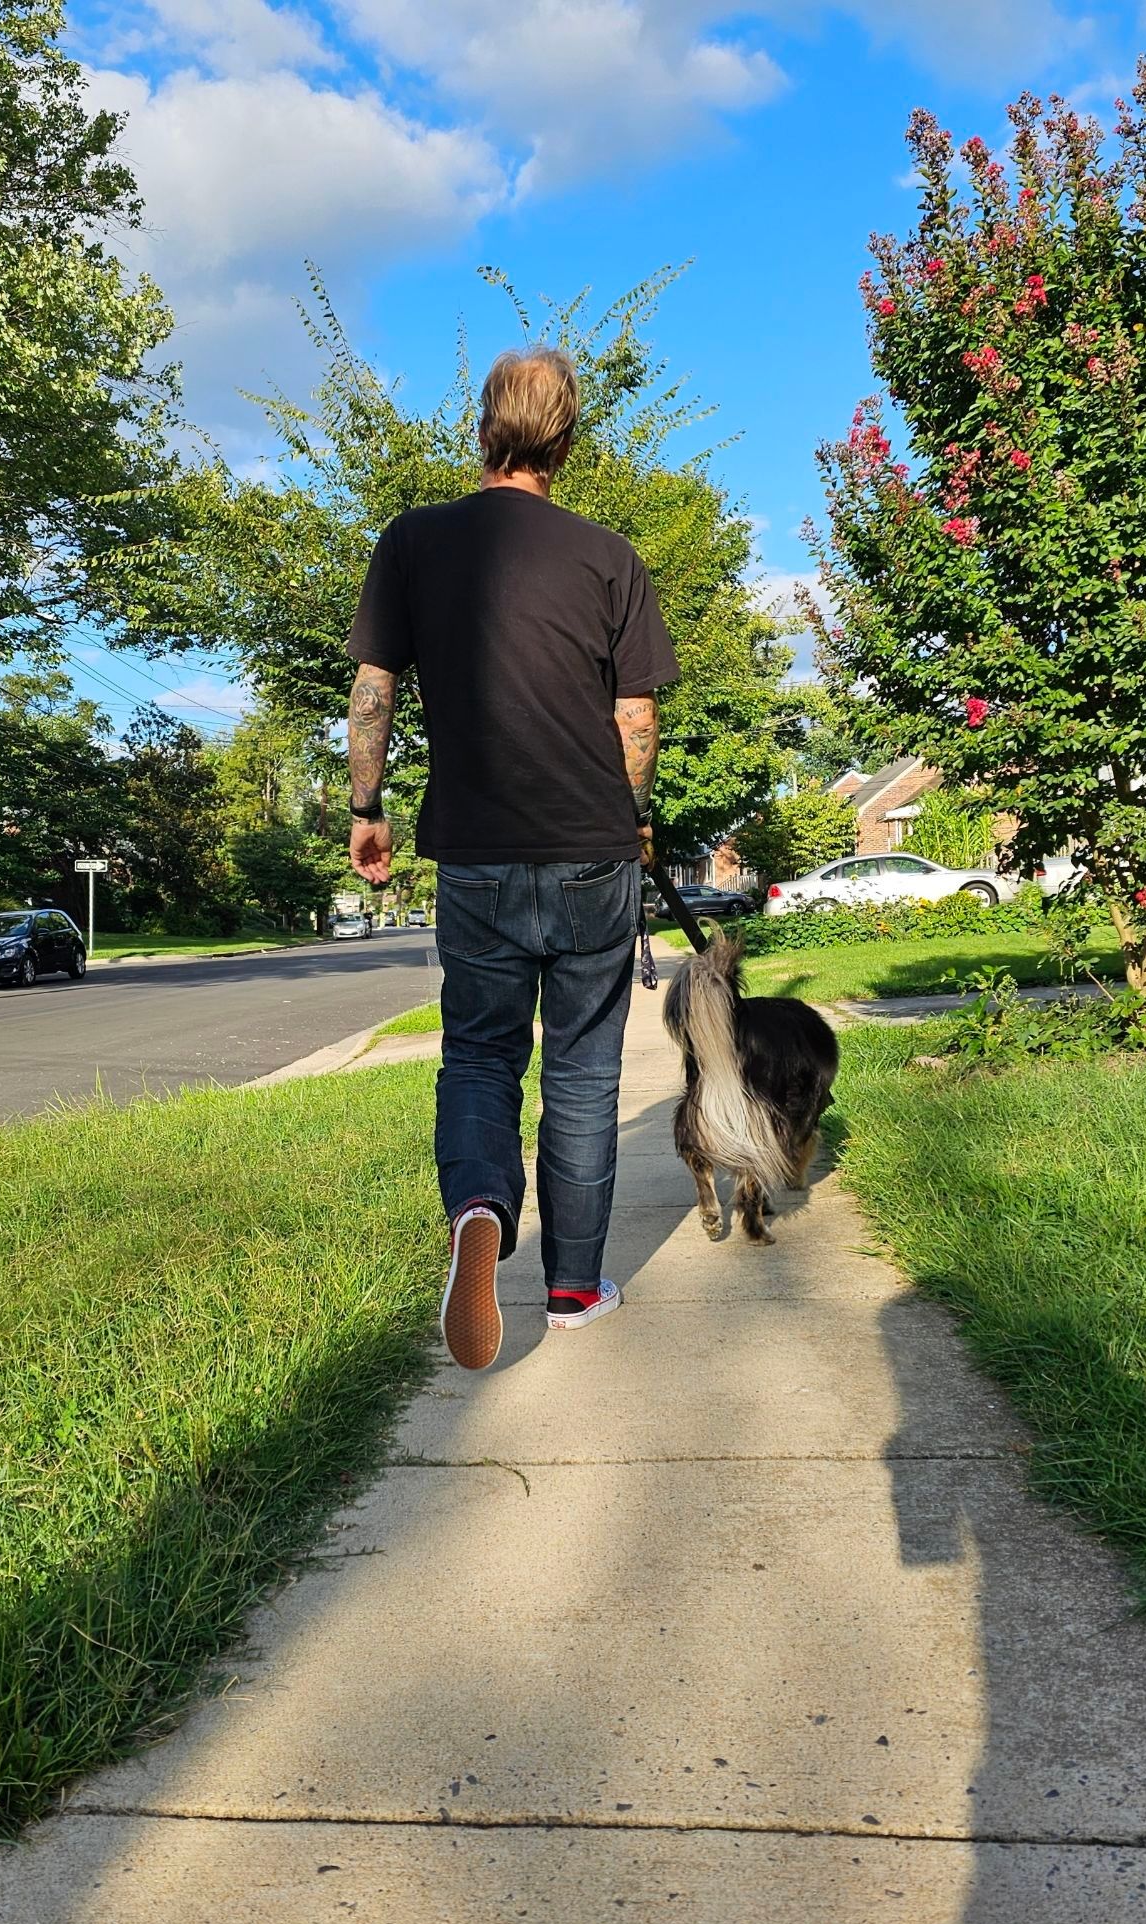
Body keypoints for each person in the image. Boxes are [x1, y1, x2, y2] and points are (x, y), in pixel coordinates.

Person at [345, 345, 680, 1370]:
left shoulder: (411, 543)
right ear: (567, 440)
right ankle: (573, 1287)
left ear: (479, 426)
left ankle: (482, 1209)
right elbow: (634, 715)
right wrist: (632, 817)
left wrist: (367, 806)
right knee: (580, 1069)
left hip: (476, 852)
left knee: (483, 1053)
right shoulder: (608, 556)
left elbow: (372, 692)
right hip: (589, 848)